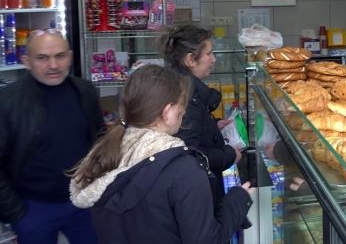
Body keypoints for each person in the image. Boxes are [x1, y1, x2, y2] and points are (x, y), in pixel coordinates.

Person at [69, 65, 254, 243]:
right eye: (182, 104)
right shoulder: (183, 169)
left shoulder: (105, 153)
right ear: (167, 112)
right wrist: (237, 201)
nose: (183, 110)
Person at [0, 29, 104, 243]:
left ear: (70, 56)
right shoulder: (8, 102)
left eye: (60, 56)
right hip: (33, 209)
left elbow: (100, 143)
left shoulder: (85, 91)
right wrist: (17, 213)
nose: (53, 65)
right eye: (42, 58)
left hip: (83, 203)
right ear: (26, 61)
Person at [154, 25, 241, 206]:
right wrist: (229, 155)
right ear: (190, 60)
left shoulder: (180, 85)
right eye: (209, 54)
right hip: (196, 193)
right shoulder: (186, 96)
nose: (214, 59)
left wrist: (212, 126)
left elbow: (188, 130)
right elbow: (191, 155)